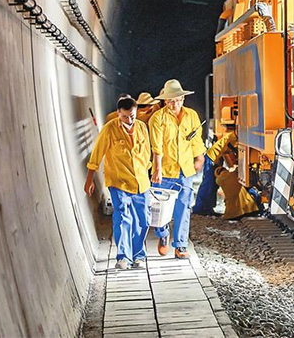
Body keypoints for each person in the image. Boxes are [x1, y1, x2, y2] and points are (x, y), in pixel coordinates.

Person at [85, 95, 152, 270]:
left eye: (132, 116)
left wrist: (150, 173)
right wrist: (89, 178)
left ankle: (139, 255)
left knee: (144, 220)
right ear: (118, 113)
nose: (129, 120)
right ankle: (123, 256)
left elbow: (146, 153)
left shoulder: (142, 128)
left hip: (141, 182)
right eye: (125, 116)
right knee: (123, 216)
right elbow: (97, 153)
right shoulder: (109, 129)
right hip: (118, 181)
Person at [148, 79, 206, 258]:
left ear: (183, 99)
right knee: (160, 208)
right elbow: (156, 146)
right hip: (164, 170)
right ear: (165, 101)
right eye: (171, 100)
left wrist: (199, 157)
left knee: (184, 206)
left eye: (178, 100)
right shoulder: (158, 118)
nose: (175, 104)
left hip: (185, 170)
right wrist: (156, 169)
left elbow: (196, 139)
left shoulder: (191, 116)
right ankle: (163, 234)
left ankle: (180, 246)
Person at [193, 131, 237, 216]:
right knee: (209, 183)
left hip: (214, 158)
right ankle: (200, 208)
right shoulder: (233, 137)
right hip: (212, 158)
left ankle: (207, 207)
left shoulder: (232, 135)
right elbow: (232, 149)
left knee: (212, 184)